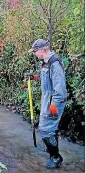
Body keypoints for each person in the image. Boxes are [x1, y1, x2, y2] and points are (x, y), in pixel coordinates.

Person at [26, 39, 67, 169]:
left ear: (42, 50)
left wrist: (54, 104)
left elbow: (59, 87)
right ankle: (53, 152)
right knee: (49, 129)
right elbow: (46, 79)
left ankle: (55, 157)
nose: (34, 54)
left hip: (54, 102)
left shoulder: (54, 62)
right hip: (47, 100)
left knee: (45, 130)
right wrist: (34, 77)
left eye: (35, 51)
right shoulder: (46, 62)